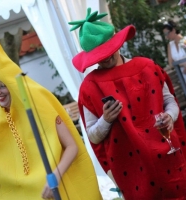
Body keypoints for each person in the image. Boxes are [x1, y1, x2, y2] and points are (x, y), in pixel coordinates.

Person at [69, 8, 186, 199]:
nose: (106, 57)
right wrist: (106, 120)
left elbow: (169, 101)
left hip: (168, 155)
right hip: (131, 168)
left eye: (107, 50)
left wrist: (170, 116)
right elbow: (93, 136)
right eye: (99, 55)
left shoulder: (147, 67)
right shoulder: (89, 87)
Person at [0, 35, 102, 200]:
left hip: (63, 188)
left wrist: (55, 177)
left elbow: (72, 146)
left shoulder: (39, 106)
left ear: (12, 85)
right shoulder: (1, 123)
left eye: (2, 86)